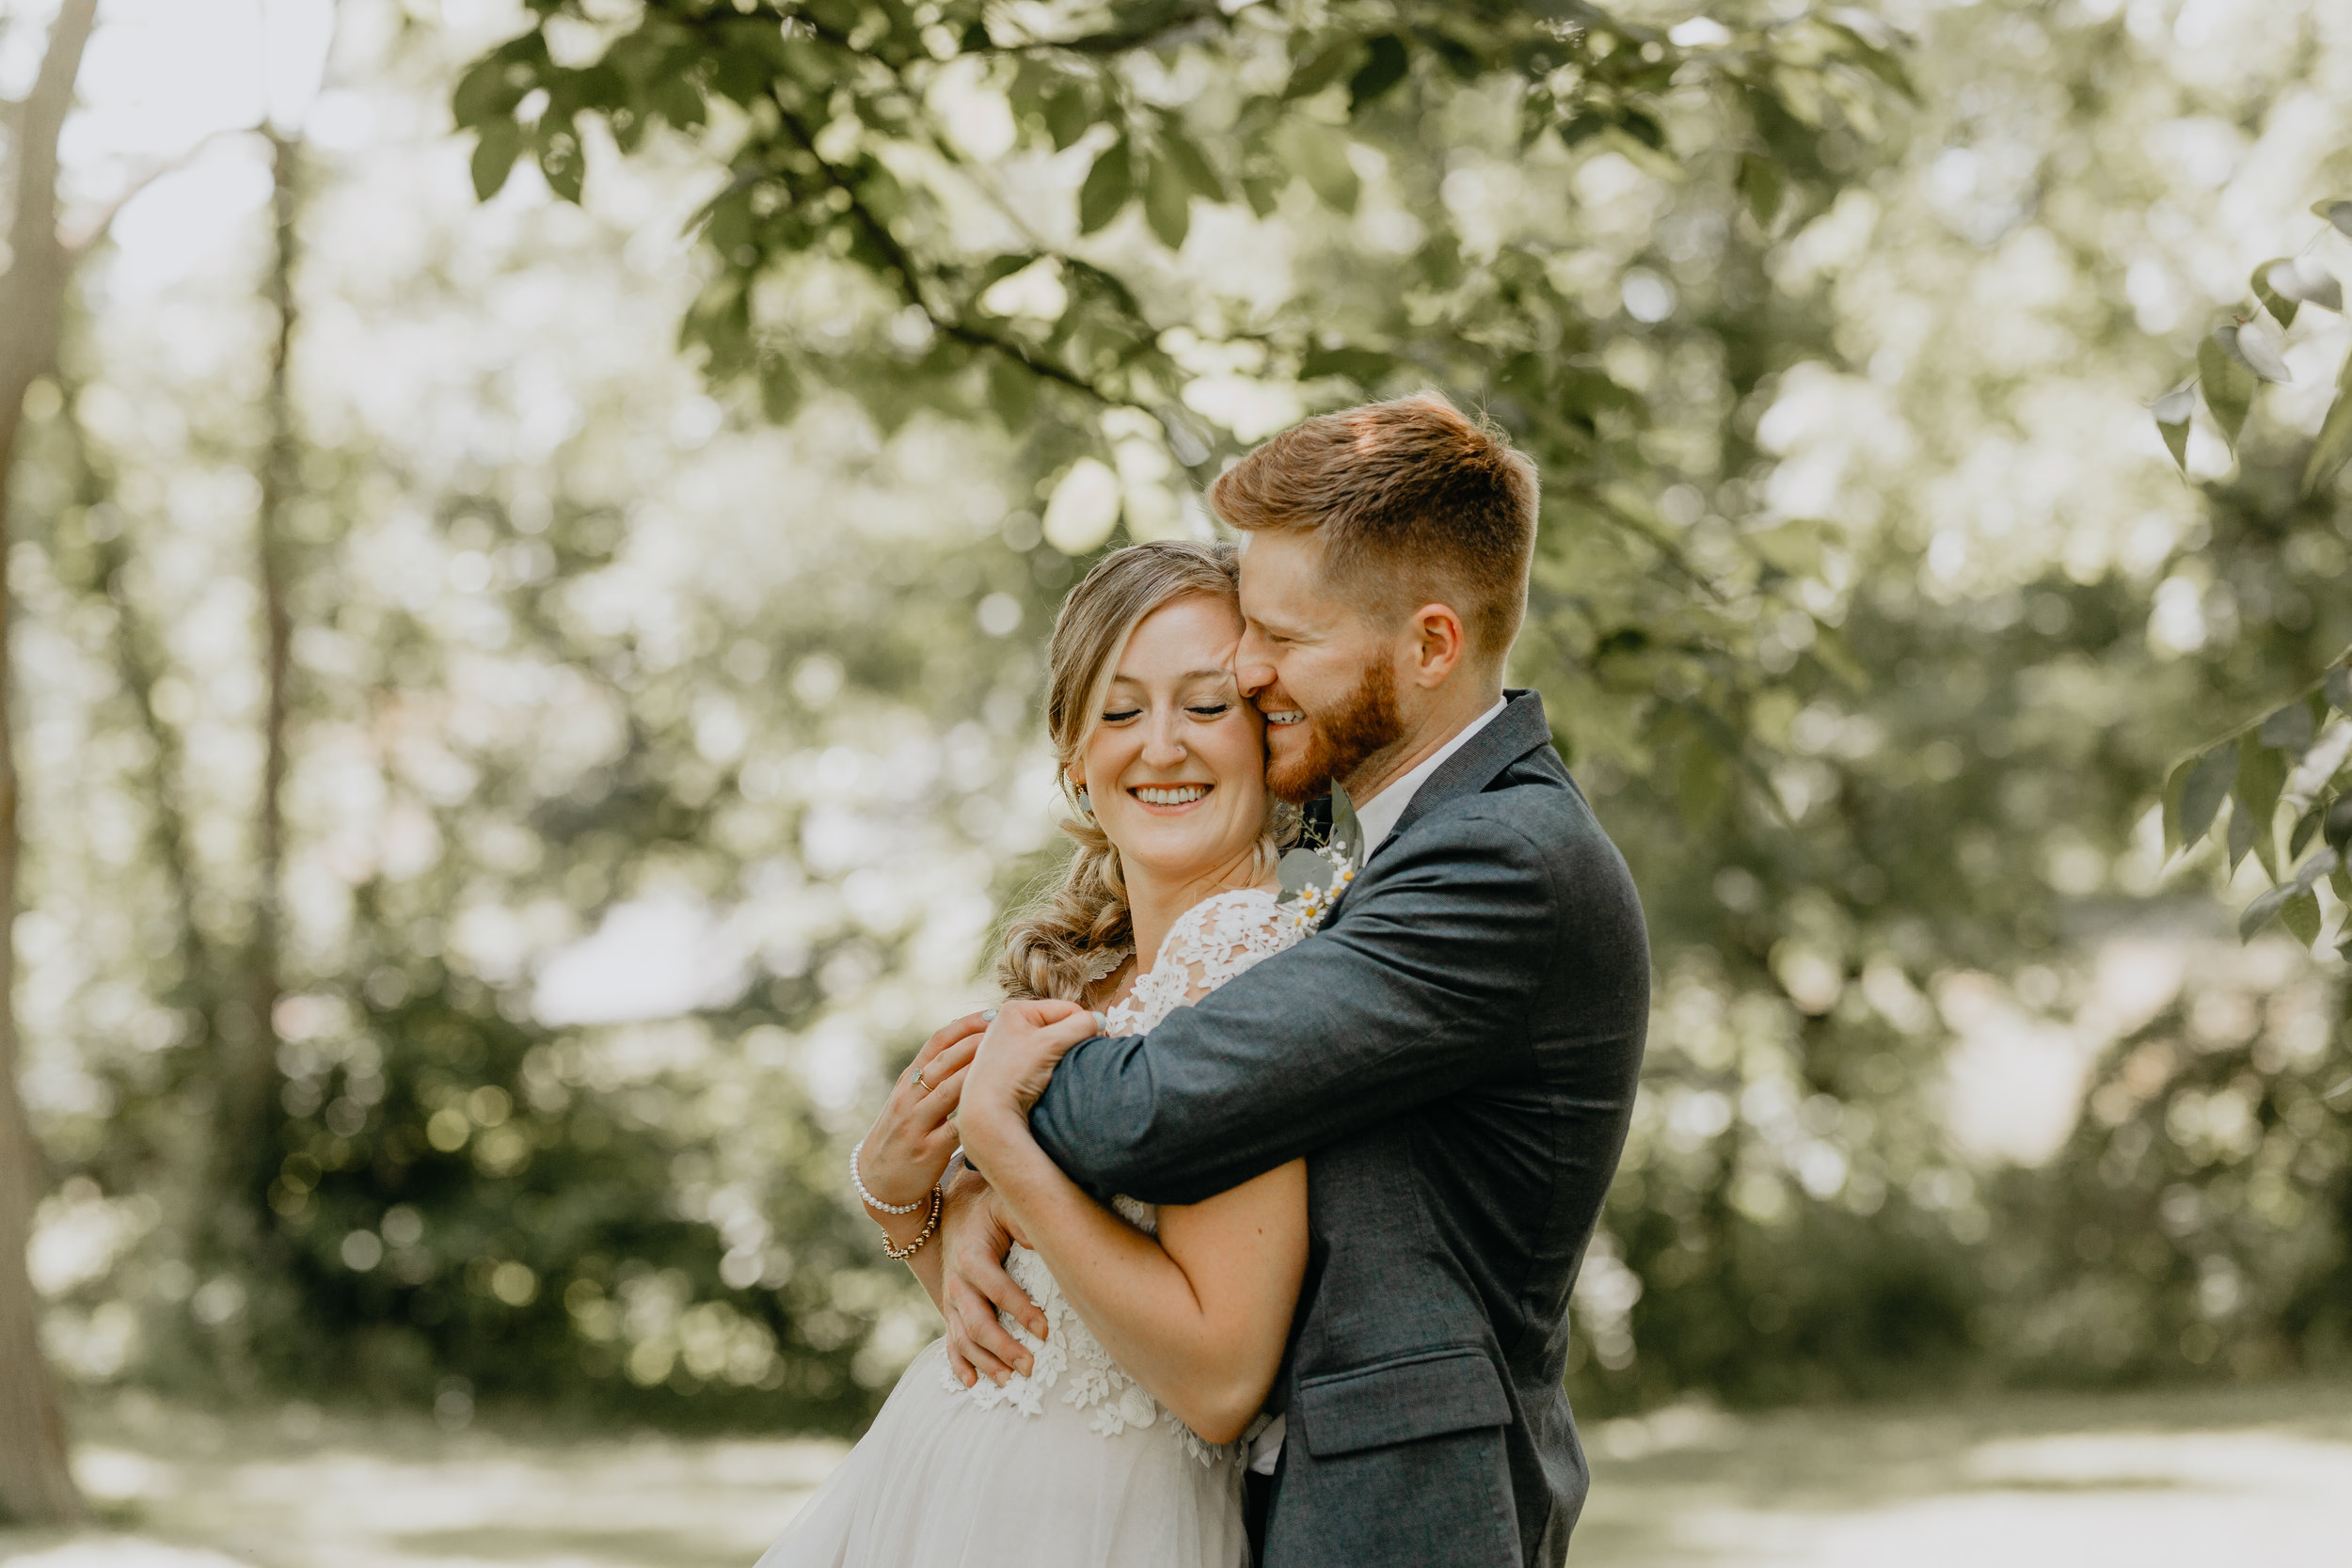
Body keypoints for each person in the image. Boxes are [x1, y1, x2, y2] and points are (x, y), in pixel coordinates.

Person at [936, 392, 1651, 1568]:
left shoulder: (1500, 860)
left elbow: (1153, 1105)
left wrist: (987, 1102)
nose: (1251, 670)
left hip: (1404, 1512)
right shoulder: (1383, 844)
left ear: (1431, 644)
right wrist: (961, 1189)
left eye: (1286, 639)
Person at [756, 540, 1311, 1568]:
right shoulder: (1095, 978)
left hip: (1103, 1522)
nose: (1161, 746)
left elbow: (1218, 1380)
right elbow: (1031, 1334)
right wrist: (907, 1202)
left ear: (1268, 732)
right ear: (1073, 758)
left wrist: (997, 1144)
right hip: (943, 1488)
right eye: (1118, 710)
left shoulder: (1251, 970)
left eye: (1204, 704)